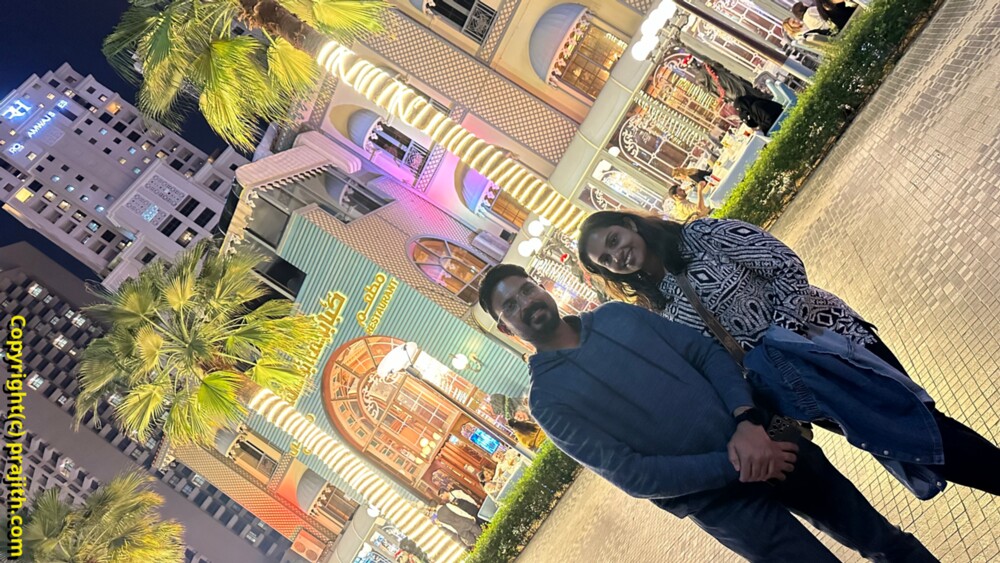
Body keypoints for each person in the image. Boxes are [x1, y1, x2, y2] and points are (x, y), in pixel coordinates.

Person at [479, 264, 937, 562]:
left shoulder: (619, 316)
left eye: (526, 290)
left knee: (883, 540)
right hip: (723, 504)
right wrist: (741, 463)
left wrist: (747, 421)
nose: (527, 303)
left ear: (541, 286)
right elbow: (634, 475)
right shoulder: (548, 400)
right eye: (511, 305)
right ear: (505, 325)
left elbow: (705, 353)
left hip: (770, 438)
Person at [576, 211, 1000, 498]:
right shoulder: (658, 305)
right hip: (792, 388)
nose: (618, 255)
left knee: (919, 423)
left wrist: (781, 336)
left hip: (827, 341)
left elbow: (783, 264)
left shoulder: (700, 236)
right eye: (606, 259)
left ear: (630, 224)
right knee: (893, 440)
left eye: (614, 240)